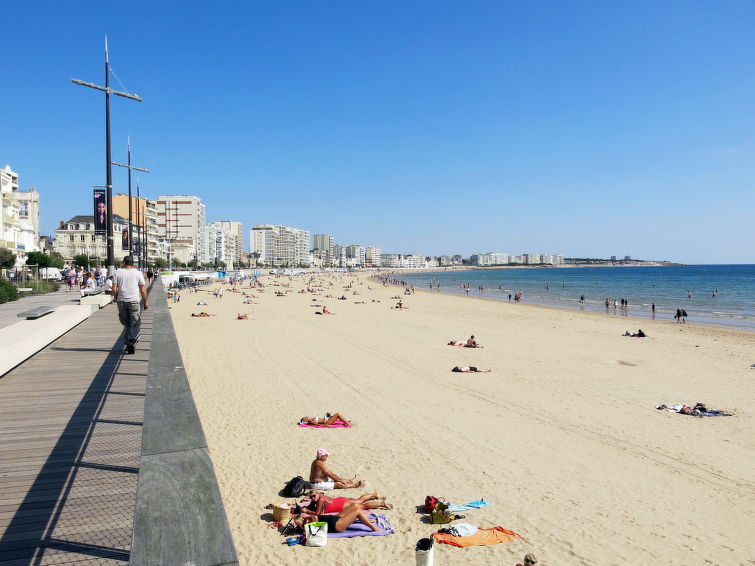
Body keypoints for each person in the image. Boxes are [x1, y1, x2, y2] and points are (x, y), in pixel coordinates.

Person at [112, 255, 148, 355]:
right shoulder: (138, 273)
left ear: (124, 262)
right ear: (133, 263)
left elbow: (114, 289)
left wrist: (116, 298)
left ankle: (128, 342)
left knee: (126, 323)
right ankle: (132, 340)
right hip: (134, 301)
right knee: (135, 323)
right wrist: (146, 302)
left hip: (121, 301)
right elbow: (143, 290)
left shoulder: (117, 272)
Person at [294, 505, 381, 534]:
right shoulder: (309, 522)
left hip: (335, 518)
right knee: (357, 512)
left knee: (355, 506)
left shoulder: (308, 520)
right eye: (302, 517)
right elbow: (314, 518)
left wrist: (305, 517)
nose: (303, 516)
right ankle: (374, 528)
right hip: (337, 525)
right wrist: (306, 518)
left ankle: (365, 519)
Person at [305, 491, 392, 514]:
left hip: (340, 505)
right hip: (338, 500)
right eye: (311, 497)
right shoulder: (319, 496)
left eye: (314, 496)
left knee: (362, 506)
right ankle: (373, 494)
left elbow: (317, 513)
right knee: (359, 500)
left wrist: (307, 511)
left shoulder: (320, 500)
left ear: (317, 494)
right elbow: (310, 505)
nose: (313, 498)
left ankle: (382, 504)